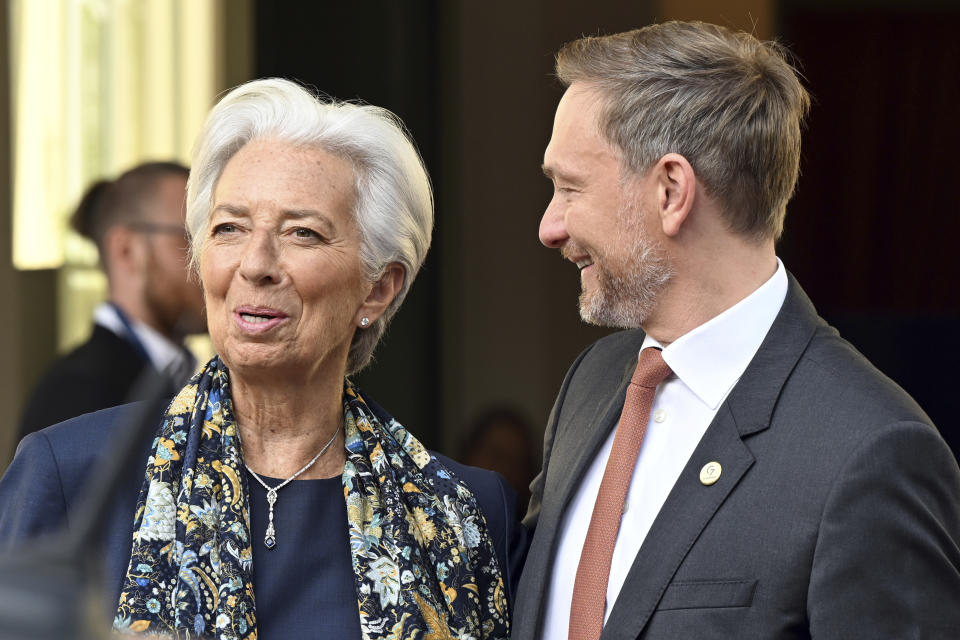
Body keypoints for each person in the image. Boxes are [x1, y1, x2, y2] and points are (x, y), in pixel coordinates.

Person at [0, 78, 526, 639]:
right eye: (229, 228)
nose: (255, 264)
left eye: (302, 233)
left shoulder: (467, 513)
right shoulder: (67, 476)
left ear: (378, 289)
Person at [514, 21, 960, 640]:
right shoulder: (592, 384)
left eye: (569, 188)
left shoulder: (871, 451)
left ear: (672, 190)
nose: (550, 226)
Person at [17, 161, 207, 440]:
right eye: (189, 238)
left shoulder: (179, 377)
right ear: (126, 250)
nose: (210, 261)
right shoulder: (76, 395)